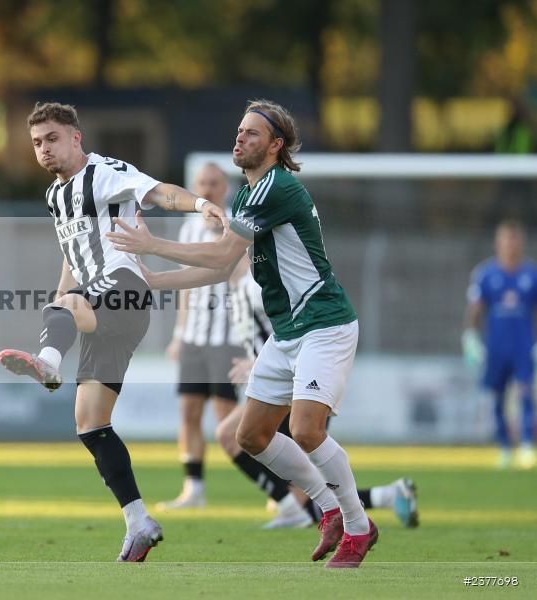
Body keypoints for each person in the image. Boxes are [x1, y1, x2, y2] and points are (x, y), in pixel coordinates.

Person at [107, 99, 378, 568]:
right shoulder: (250, 196)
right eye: (239, 130)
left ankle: (358, 527)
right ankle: (329, 507)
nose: (240, 138)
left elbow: (217, 258)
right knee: (251, 436)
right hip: (290, 331)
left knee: (306, 430)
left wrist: (151, 244)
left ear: (275, 145)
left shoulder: (274, 188)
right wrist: (153, 278)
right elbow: (221, 269)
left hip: (324, 324)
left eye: (252, 133)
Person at [0, 101, 226, 562]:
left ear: (76, 138)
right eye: (37, 143)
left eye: (52, 139)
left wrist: (200, 203)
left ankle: (48, 365)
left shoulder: (106, 172)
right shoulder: (55, 195)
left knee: (68, 311)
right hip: (98, 305)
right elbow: (72, 253)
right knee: (90, 423)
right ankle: (139, 521)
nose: (44, 149)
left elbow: (160, 193)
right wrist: (57, 306)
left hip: (125, 287)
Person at [218, 267, 419, 529]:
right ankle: (387, 495)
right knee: (310, 496)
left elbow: (291, 331)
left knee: (313, 500)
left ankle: (296, 508)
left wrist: (257, 364)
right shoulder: (236, 289)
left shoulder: (255, 286)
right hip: (278, 383)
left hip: (297, 382)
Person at [157, 163, 244, 510]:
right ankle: (193, 488)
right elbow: (185, 287)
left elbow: (244, 278)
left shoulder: (239, 226)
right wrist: (179, 334)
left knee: (230, 421)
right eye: (201, 183)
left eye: (214, 183)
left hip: (230, 337)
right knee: (188, 412)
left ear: (226, 187)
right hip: (194, 337)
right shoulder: (189, 228)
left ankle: (280, 489)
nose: (207, 189)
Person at [464, 220, 536, 470]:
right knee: (497, 397)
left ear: (521, 243)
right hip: (496, 347)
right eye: (506, 240)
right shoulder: (486, 274)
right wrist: (470, 338)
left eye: (514, 240)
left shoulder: (531, 274)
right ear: (498, 243)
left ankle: (527, 444)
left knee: (526, 393)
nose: (510, 245)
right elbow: (476, 309)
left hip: (523, 345)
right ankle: (504, 446)